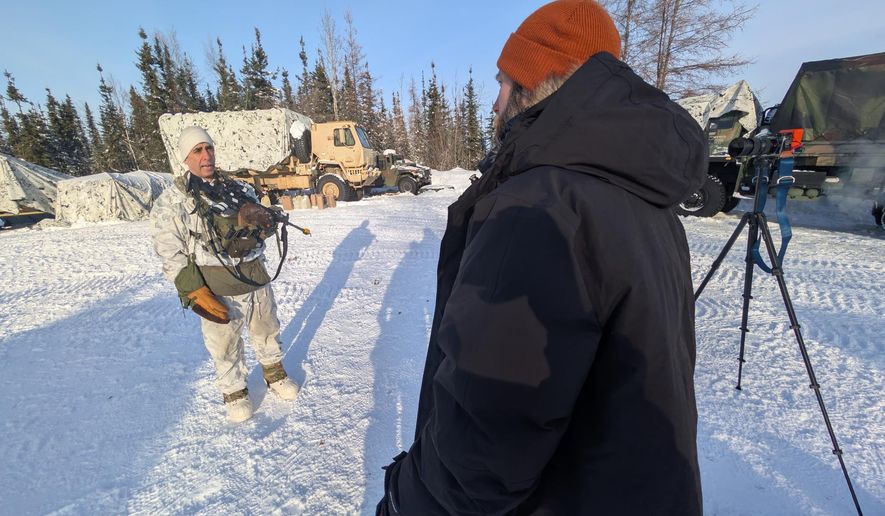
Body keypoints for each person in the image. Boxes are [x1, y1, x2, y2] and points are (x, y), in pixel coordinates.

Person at [377, 1, 708, 514]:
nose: (494, 103)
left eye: (503, 83)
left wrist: (404, 497)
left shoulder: (538, 208)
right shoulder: (646, 199)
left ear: (535, 85)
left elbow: (482, 451)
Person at [150, 126, 299, 423]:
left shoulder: (239, 189)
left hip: (254, 274)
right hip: (215, 282)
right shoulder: (173, 201)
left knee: (266, 327)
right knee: (223, 341)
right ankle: (234, 391)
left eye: (209, 148)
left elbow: (258, 228)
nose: (206, 155)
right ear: (185, 158)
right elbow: (169, 250)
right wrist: (193, 289)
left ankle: (274, 373)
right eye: (197, 150)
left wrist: (266, 223)